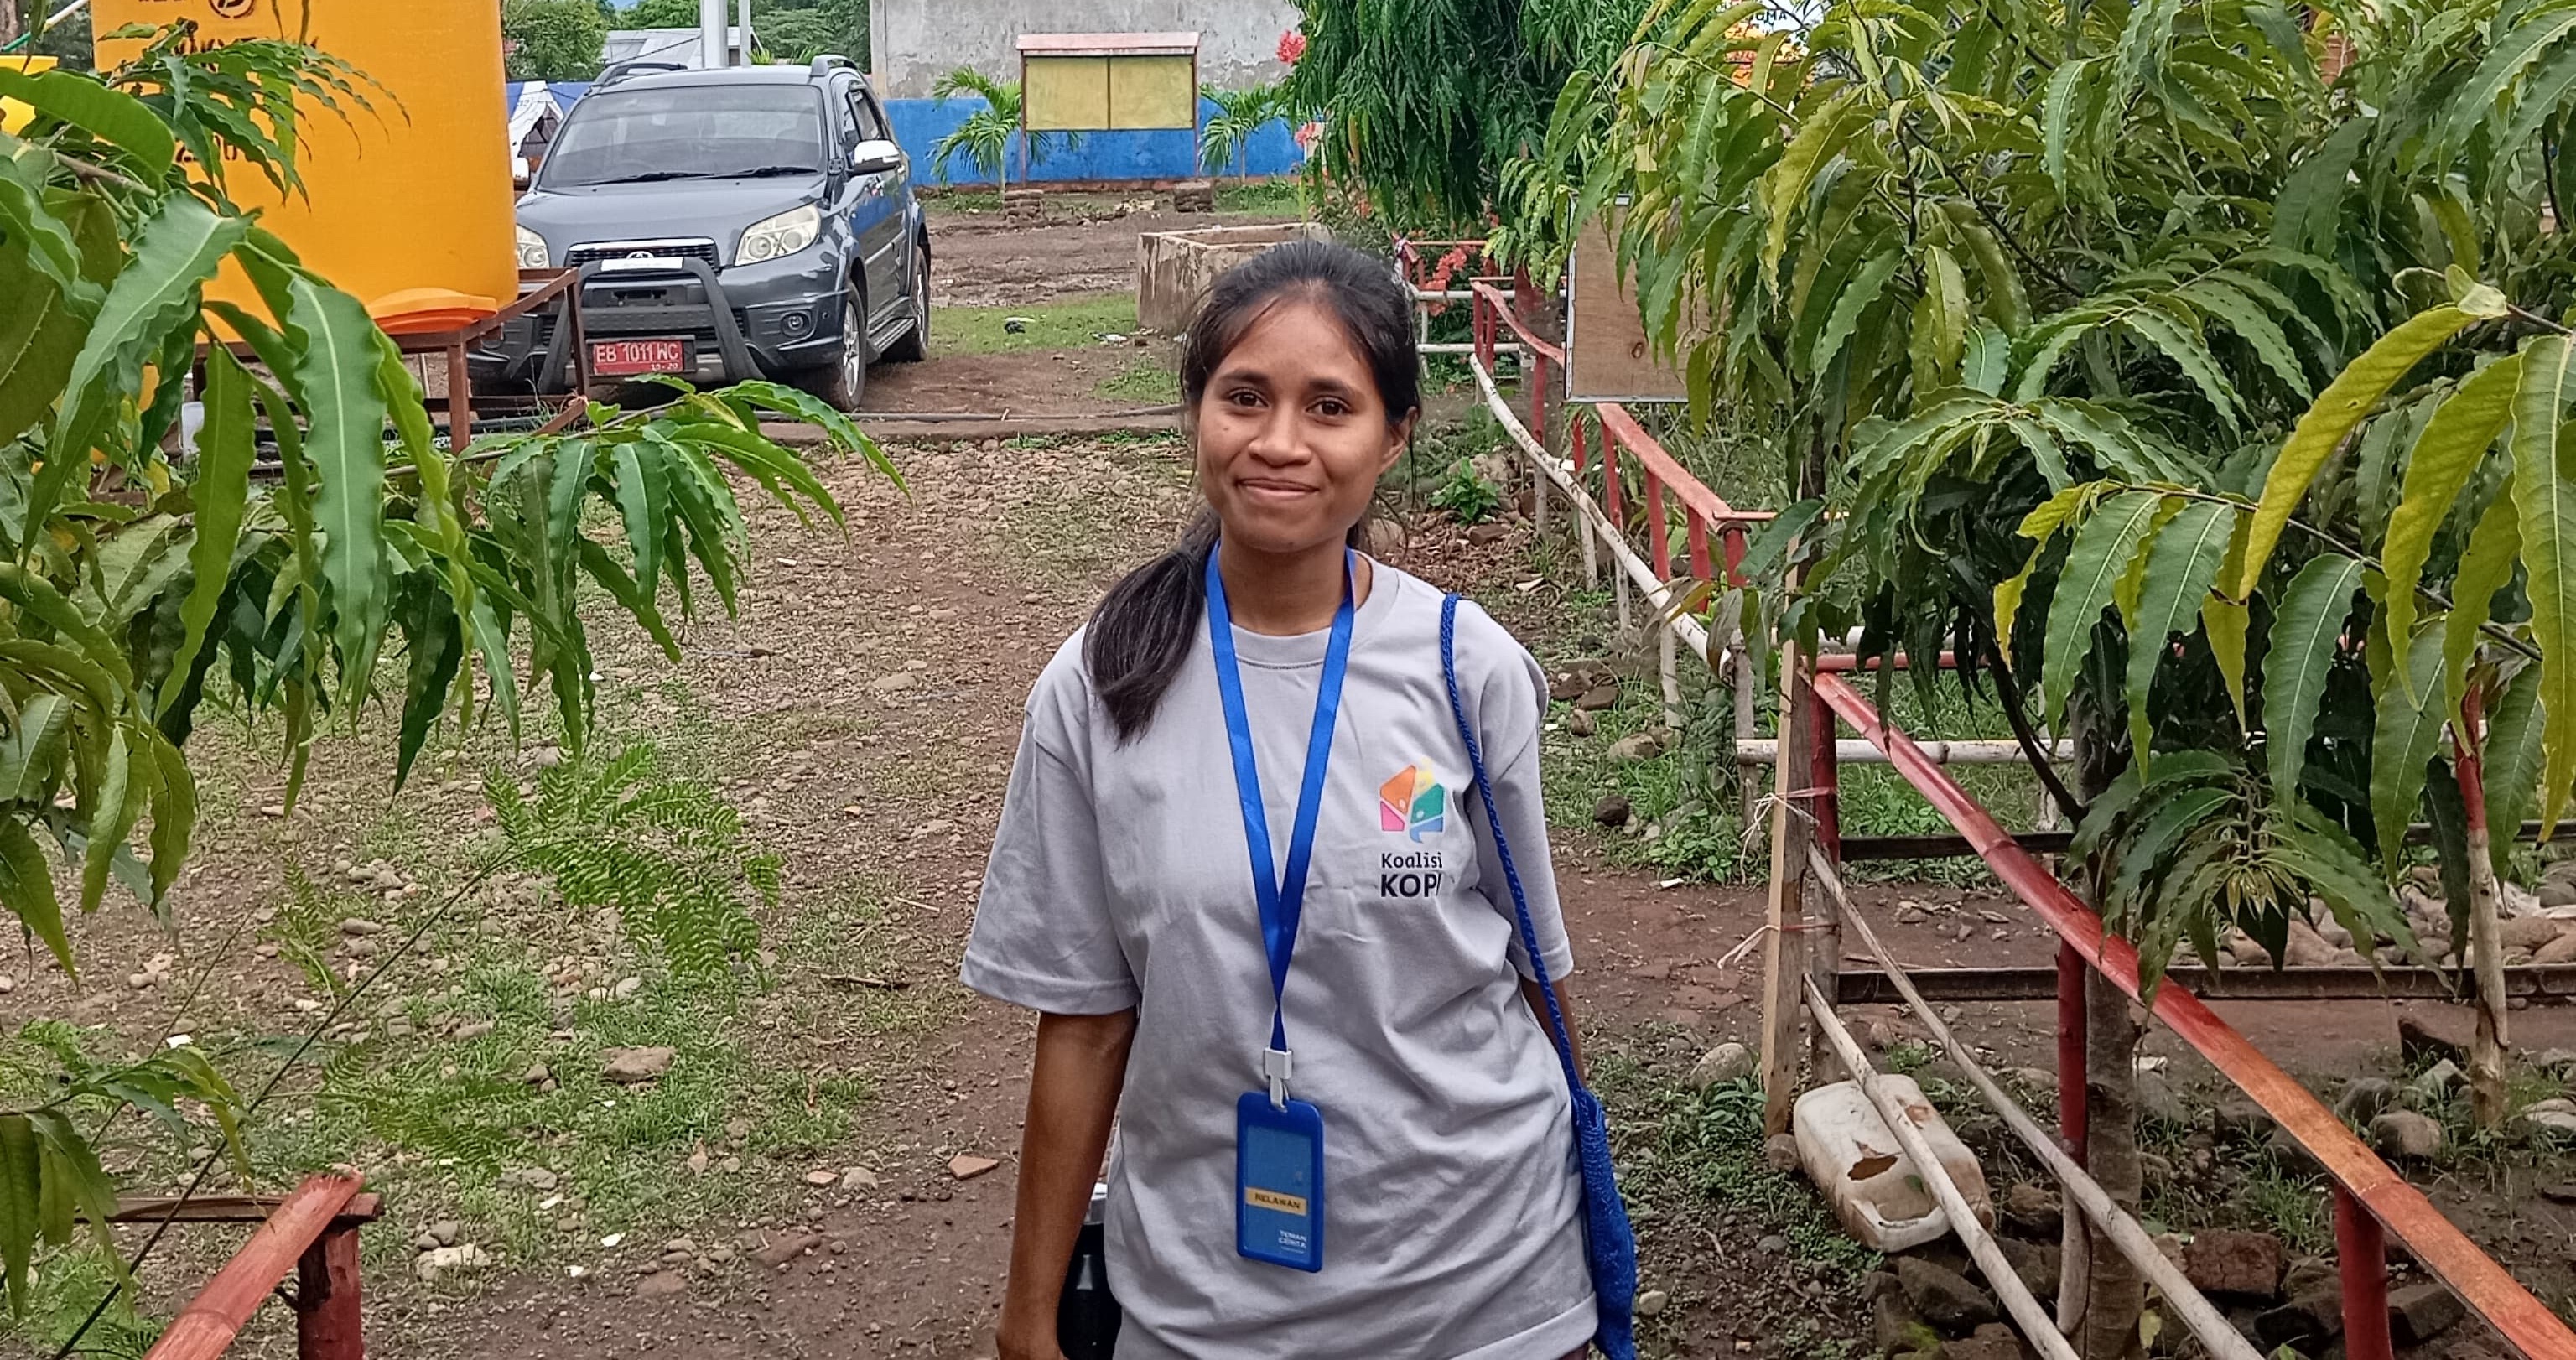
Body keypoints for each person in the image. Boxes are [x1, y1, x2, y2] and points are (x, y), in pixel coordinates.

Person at [963, 240, 1597, 1360]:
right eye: (1245, 397)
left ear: (1394, 434)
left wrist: (1595, 1223)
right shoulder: (1103, 682)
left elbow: (1536, 976)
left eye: (1331, 406)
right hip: (1206, 1307)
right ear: (1197, 410)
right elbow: (1086, 1021)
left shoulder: (1464, 669)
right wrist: (1028, 1315)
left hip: (1485, 1287)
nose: (1281, 443)